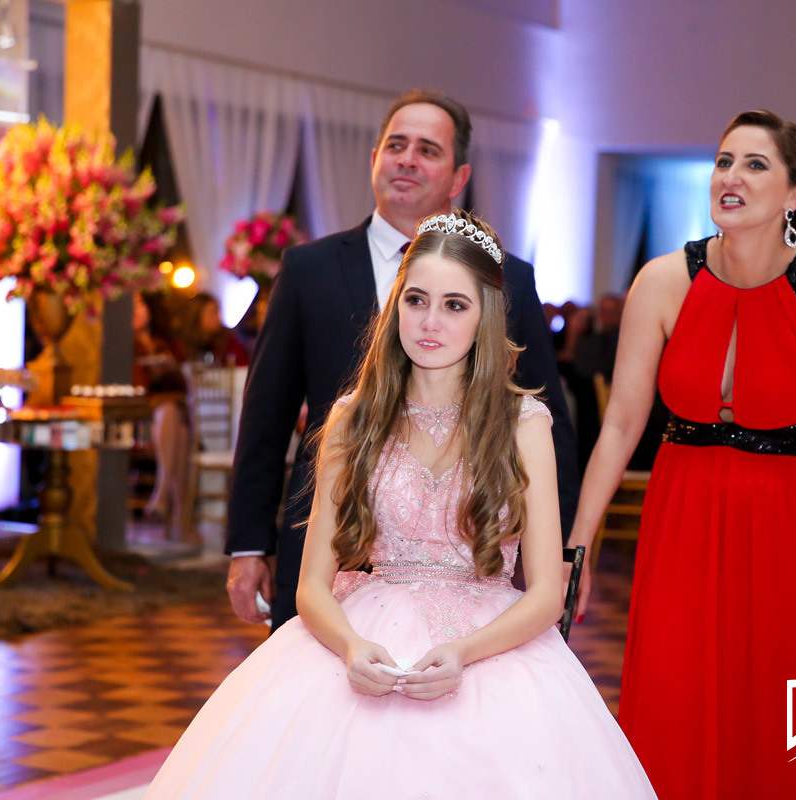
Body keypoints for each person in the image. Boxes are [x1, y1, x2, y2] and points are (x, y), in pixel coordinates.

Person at [144, 210, 655, 798]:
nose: (430, 322)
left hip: (489, 647)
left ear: (485, 316)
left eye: (455, 305)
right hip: (366, 631)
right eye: (416, 300)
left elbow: (545, 594)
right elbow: (311, 586)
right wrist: (351, 647)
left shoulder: (524, 423)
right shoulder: (353, 417)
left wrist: (464, 653)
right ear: (396, 306)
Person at [564, 110, 796, 798]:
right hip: (682, 523)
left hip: (792, 536)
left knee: (785, 718)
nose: (730, 177)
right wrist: (578, 546)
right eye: (723, 161)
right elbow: (620, 425)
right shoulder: (662, 281)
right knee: (678, 697)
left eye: (755, 164)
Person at [225, 89, 579, 628]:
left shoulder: (508, 277)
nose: (408, 159)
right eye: (396, 145)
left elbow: (547, 422)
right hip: (329, 550)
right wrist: (248, 545)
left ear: (459, 177)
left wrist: (564, 551)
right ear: (374, 159)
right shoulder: (307, 269)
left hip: (471, 569)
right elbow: (265, 419)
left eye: (427, 150)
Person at [132, 291, 191, 540]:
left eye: (139, 304)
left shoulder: (164, 342)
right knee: (173, 420)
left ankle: (164, 497)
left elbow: (183, 386)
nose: (135, 310)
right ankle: (178, 515)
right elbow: (132, 388)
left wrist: (169, 369)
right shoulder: (126, 343)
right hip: (138, 418)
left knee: (179, 428)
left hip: (167, 414)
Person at [180, 292, 250, 367]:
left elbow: (245, 367)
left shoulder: (230, 344)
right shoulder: (181, 349)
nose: (218, 318)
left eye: (218, 312)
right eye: (212, 313)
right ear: (196, 316)